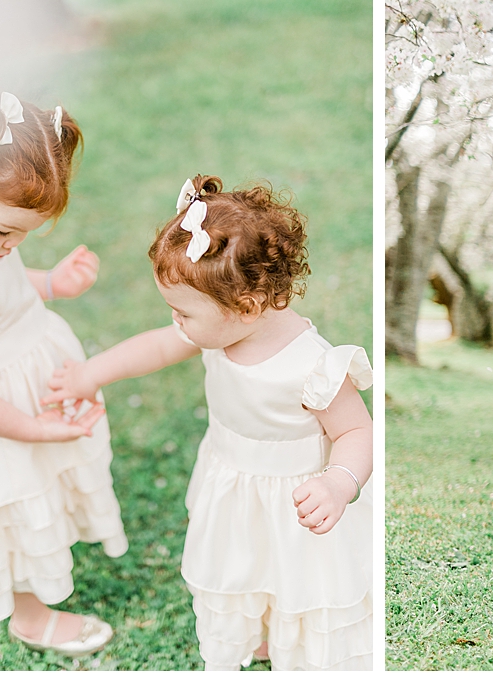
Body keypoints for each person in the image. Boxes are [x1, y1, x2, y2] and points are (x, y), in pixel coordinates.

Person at [43, 174, 373, 670]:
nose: (176, 322)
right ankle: (257, 634)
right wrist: (91, 373)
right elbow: (154, 347)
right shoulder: (216, 327)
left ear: (248, 306)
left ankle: (288, 640)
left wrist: (339, 482)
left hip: (298, 500)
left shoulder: (313, 364)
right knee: (240, 562)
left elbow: (356, 431)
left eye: (182, 313)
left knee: (293, 574)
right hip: (232, 481)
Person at [0, 91, 124, 656]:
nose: (12, 246)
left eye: (25, 237)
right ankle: (30, 616)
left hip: (26, 373)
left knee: (40, 490)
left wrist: (51, 283)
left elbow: (3, 284)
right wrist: (34, 429)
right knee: (11, 503)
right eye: (8, 233)